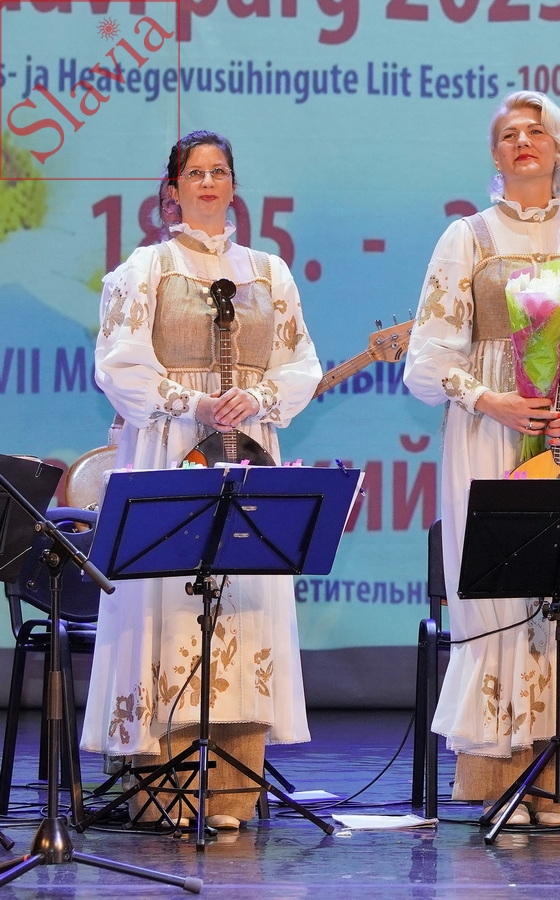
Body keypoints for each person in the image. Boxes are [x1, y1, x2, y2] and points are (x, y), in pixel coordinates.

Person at [403, 91, 560, 827]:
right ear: (495, 154)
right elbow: (427, 358)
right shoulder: (466, 237)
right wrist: (491, 401)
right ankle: (498, 777)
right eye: (509, 134)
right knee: (501, 591)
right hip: (489, 433)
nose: (523, 142)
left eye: (537, 132)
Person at [87, 130, 321, 830]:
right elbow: (119, 363)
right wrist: (191, 404)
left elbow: (300, 363)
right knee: (170, 605)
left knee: (243, 603)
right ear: (173, 189)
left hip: (246, 444)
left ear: (234, 185)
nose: (209, 182)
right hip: (172, 443)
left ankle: (231, 793)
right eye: (195, 172)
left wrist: (260, 396)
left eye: (220, 171)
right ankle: (166, 790)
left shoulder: (269, 272)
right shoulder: (147, 268)